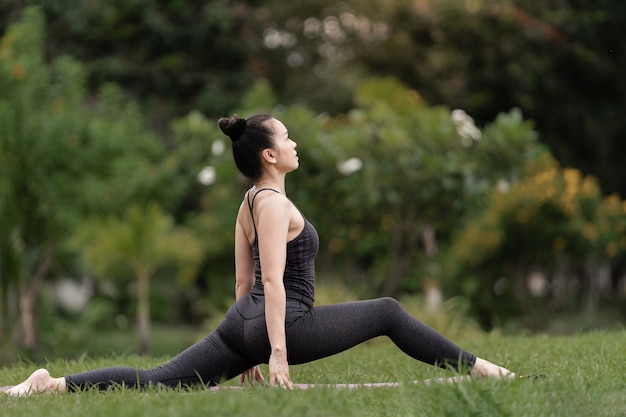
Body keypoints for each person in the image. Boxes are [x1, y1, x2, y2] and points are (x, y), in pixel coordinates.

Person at [2, 114, 514, 396]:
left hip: (240, 322)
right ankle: (481, 371)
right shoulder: (273, 204)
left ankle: (53, 385)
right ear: (269, 155)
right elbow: (271, 282)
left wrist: (246, 346)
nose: (295, 144)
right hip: (281, 321)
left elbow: (242, 283)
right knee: (386, 311)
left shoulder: (248, 201)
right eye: (287, 138)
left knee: (161, 380)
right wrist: (276, 356)